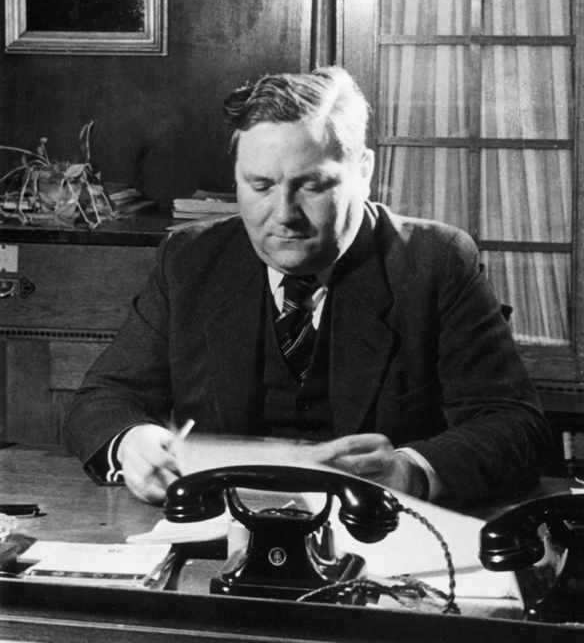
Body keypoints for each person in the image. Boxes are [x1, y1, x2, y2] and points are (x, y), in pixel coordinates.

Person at [64, 66, 550, 507]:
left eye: (312, 186)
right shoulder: (192, 259)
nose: (284, 215)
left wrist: (410, 471)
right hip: (224, 530)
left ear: (363, 172)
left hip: (379, 535)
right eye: (260, 186)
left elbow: (516, 426)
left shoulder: (435, 262)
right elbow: (102, 398)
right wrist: (133, 442)